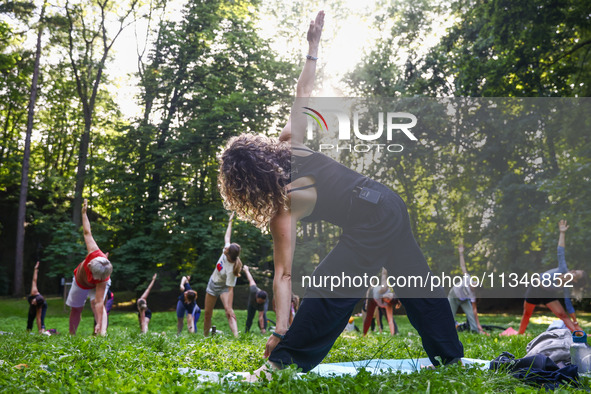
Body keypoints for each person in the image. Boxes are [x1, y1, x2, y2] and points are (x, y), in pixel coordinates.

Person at [218, 11, 463, 375]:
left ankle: (282, 365)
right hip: (388, 201)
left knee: (329, 286)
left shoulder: (282, 204)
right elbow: (303, 94)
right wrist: (312, 47)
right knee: (414, 280)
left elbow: (283, 274)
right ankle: (450, 356)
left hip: (372, 215)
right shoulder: (289, 145)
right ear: (261, 153)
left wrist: (281, 331)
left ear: (244, 189)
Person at [518, 220, 587, 334]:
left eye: (576, 274)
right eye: (575, 270)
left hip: (547, 294)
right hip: (535, 286)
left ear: (574, 280)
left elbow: (568, 305)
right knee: (527, 313)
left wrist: (575, 322)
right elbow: (560, 251)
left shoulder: (566, 287)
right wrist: (562, 233)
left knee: (562, 315)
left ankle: (576, 332)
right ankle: (519, 334)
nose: (573, 271)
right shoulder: (563, 269)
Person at [66, 199, 112, 335]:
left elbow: (98, 303)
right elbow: (87, 232)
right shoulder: (93, 251)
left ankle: (102, 334)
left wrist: (99, 324)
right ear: (90, 265)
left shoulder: (103, 276)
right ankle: (71, 336)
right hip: (80, 282)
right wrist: (84, 213)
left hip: (99, 281)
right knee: (76, 309)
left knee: (97, 304)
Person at [202, 212, 243, 337]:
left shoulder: (231, 270)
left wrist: (229, 306)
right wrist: (230, 221)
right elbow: (227, 237)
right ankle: (205, 337)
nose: (225, 248)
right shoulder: (227, 251)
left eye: (227, 249)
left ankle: (236, 336)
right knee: (208, 313)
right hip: (213, 284)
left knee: (228, 312)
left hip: (224, 288)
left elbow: (231, 289)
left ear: (229, 254)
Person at [447, 243, 486, 334]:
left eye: (475, 285)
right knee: (448, 315)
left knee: (471, 314)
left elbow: (474, 311)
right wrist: (461, 253)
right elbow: (463, 266)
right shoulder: (468, 278)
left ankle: (476, 331)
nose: (473, 284)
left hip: (463, 300)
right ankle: (447, 331)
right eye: (474, 282)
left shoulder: (473, 295)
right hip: (453, 296)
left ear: (475, 289)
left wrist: (479, 325)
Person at [243, 265, 269, 334]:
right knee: (250, 317)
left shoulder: (262, 303)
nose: (260, 302)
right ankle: (246, 332)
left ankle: (263, 331)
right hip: (252, 304)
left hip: (262, 305)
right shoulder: (253, 290)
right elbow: (250, 279)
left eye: (262, 301)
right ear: (257, 296)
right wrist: (246, 270)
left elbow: (260, 316)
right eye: (259, 301)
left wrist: (262, 328)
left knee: (263, 316)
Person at [27, 261, 47, 333]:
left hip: (43, 304)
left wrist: (40, 331)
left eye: (34, 303)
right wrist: (35, 269)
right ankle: (28, 332)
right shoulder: (34, 292)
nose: (33, 302)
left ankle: (42, 330)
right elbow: (34, 280)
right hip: (40, 300)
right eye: (34, 301)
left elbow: (38, 318)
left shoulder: (39, 305)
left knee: (41, 318)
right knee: (30, 318)